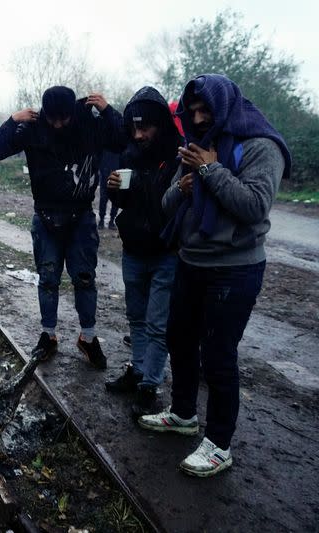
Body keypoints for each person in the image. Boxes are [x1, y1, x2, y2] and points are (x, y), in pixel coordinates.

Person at [140, 74, 290, 477]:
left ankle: (220, 443)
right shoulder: (195, 145)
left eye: (207, 110)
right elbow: (169, 203)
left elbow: (255, 206)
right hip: (191, 261)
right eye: (193, 112)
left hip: (235, 269)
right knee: (180, 341)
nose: (200, 118)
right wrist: (185, 186)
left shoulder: (261, 146)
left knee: (219, 358)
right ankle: (184, 414)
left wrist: (211, 172)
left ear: (224, 107)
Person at [0, 86, 125, 369]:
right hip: (46, 217)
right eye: (54, 120)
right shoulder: (34, 129)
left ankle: (88, 337)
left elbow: (123, 141)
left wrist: (108, 110)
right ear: (45, 114)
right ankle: (48, 335)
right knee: (48, 277)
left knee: (85, 277)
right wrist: (13, 121)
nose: (59, 125)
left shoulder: (90, 125)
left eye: (64, 119)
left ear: (72, 113)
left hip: (81, 217)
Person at [103, 86, 183, 417]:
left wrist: (136, 186)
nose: (139, 134)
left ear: (160, 124)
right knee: (135, 317)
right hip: (133, 250)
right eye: (134, 127)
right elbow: (126, 203)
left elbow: (167, 206)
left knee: (157, 323)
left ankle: (150, 385)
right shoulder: (129, 156)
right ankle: (137, 371)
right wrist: (114, 192)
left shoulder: (178, 158)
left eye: (145, 127)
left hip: (166, 253)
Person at [98, 150, 121, 229]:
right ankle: (101, 220)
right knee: (103, 198)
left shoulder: (120, 146)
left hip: (117, 173)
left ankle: (111, 221)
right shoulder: (105, 143)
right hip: (104, 173)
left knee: (116, 199)